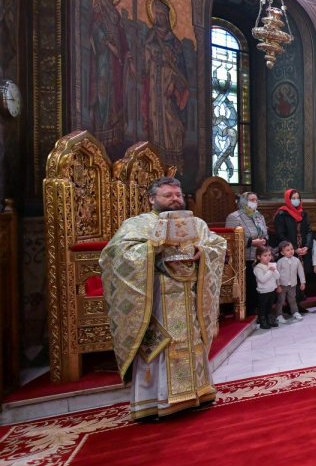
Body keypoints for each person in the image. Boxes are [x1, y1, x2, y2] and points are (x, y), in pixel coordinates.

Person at [99, 177, 226, 420]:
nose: (175, 199)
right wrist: (152, 248)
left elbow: (217, 246)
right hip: (155, 300)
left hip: (190, 298)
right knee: (160, 346)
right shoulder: (137, 225)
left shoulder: (196, 224)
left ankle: (197, 393)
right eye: (168, 195)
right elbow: (115, 255)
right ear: (152, 199)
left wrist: (204, 252)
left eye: (177, 194)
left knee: (191, 341)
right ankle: (155, 401)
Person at [226, 191, 270, 321]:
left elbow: (265, 232)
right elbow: (231, 238)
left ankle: (261, 311)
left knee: (261, 285)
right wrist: (251, 242)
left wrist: (264, 241)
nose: (254, 202)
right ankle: (250, 312)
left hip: (260, 256)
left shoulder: (258, 216)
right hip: (244, 258)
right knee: (249, 286)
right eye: (251, 199)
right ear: (244, 201)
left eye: (256, 200)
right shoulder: (234, 217)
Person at [273, 188, 313, 311]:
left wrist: (307, 246)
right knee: (289, 276)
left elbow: (309, 231)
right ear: (288, 199)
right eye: (293, 198)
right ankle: (288, 305)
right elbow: (280, 234)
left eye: (298, 198)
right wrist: (293, 249)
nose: (296, 200)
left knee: (300, 276)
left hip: (303, 249)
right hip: (289, 250)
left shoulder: (303, 213)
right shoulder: (281, 214)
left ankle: (297, 304)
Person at [253, 245, 282, 329]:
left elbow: (277, 276)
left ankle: (269, 319)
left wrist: (274, 270)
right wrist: (270, 271)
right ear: (259, 257)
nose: (268, 257)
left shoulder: (271, 265)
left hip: (272, 290)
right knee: (263, 307)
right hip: (263, 292)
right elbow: (262, 279)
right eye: (265, 255)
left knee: (269, 306)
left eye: (269, 255)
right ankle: (263, 321)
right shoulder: (258, 268)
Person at [276, 241, 306, 321]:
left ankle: (295, 312)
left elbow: (300, 271)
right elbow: (276, 274)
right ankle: (279, 315)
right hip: (282, 285)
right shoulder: (280, 262)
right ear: (282, 252)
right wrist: (278, 285)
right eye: (287, 250)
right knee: (281, 300)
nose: (291, 251)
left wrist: (302, 282)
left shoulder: (296, 260)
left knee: (292, 299)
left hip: (293, 284)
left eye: (292, 249)